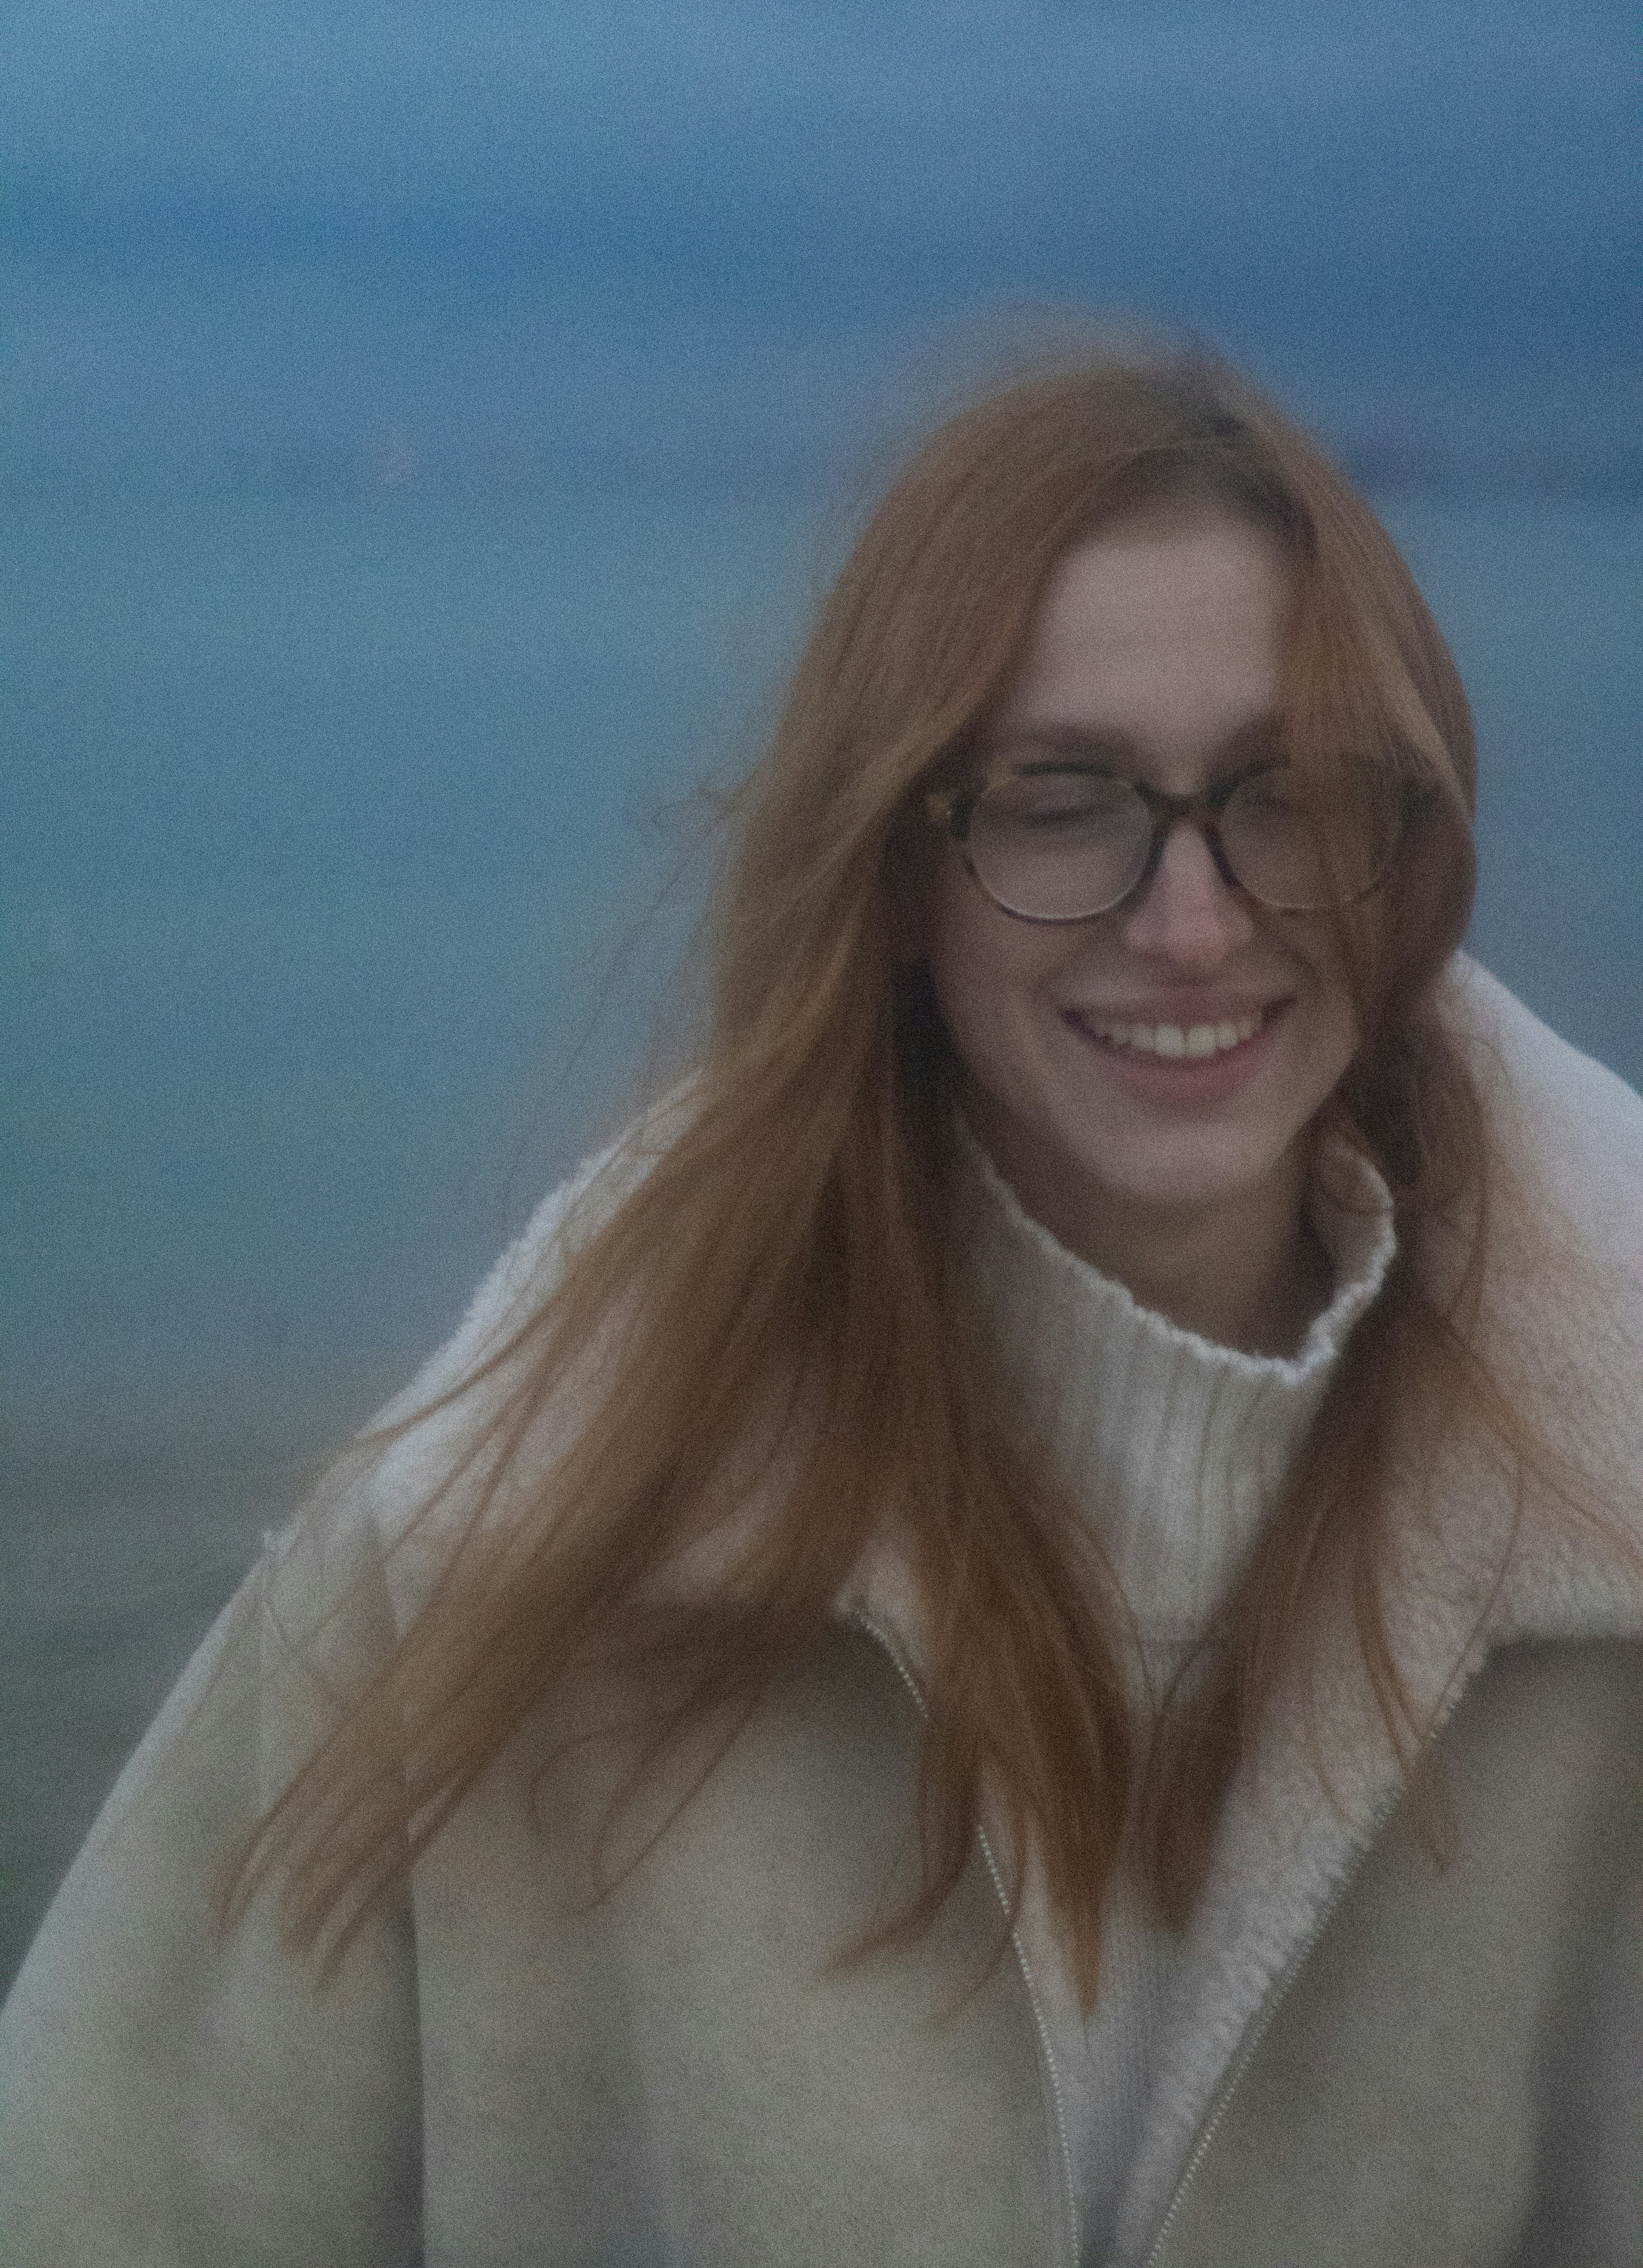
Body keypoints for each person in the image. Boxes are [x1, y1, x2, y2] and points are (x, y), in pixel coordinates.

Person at [2, 351, 1641, 2268]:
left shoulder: (1600, 1544)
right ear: (891, 872)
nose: (1192, 919)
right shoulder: (492, 1547)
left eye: (1284, 795)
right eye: (1060, 798)